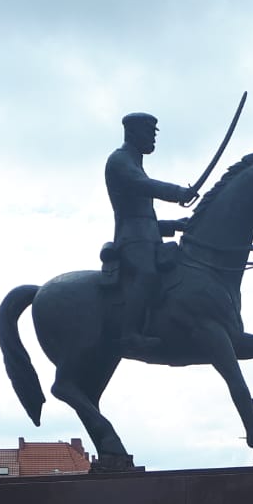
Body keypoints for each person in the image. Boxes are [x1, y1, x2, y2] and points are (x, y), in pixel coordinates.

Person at [105, 113, 196, 353]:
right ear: (132, 132)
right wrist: (178, 193)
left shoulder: (135, 163)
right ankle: (130, 334)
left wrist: (175, 224)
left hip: (147, 237)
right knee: (147, 274)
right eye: (148, 133)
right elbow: (143, 186)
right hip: (132, 239)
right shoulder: (119, 160)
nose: (153, 138)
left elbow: (144, 217)